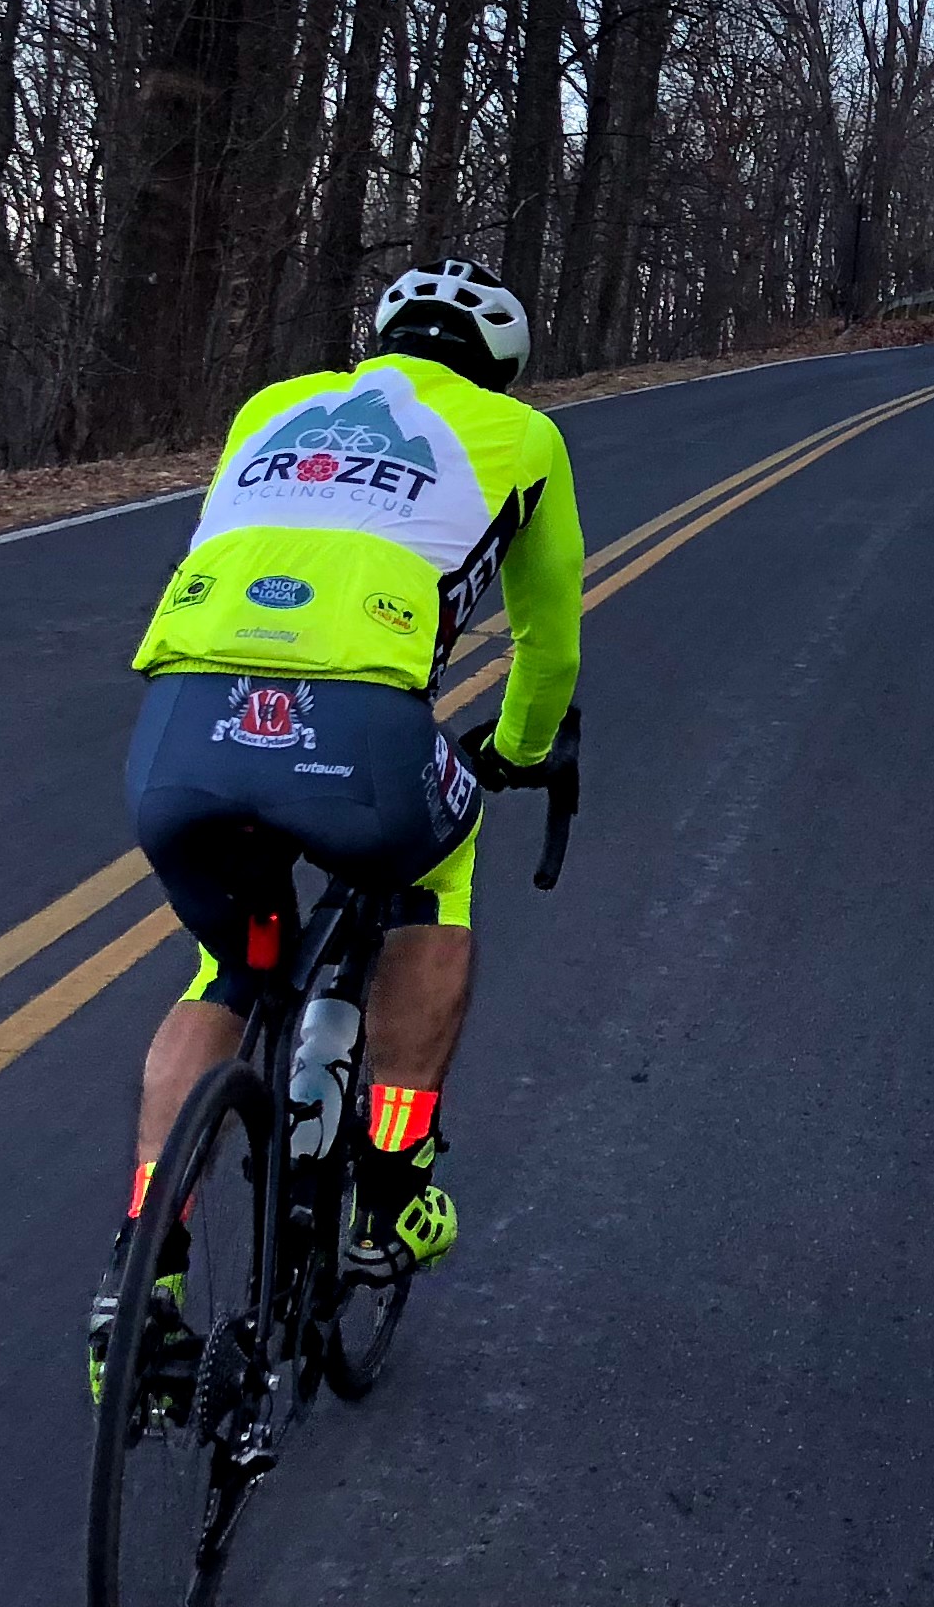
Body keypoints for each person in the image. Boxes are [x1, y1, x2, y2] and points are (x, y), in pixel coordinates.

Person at [91, 261, 584, 1393]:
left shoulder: (272, 406)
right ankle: (394, 1189)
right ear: (503, 370)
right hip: (358, 729)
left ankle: (141, 1272)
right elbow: (547, 640)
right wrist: (515, 749)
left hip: (181, 720)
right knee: (436, 875)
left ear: (378, 339)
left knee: (228, 965)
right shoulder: (522, 435)